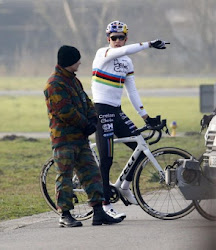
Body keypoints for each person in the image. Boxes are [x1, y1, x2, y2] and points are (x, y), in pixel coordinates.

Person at [91, 20, 168, 219]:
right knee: (106, 160)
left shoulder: (127, 62)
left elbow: (131, 90)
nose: (117, 41)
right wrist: (149, 44)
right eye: (113, 38)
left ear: (126, 38)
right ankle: (105, 205)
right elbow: (120, 52)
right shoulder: (103, 53)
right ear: (108, 39)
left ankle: (125, 186)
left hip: (116, 110)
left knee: (140, 147)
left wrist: (146, 116)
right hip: (101, 109)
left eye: (121, 38)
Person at [44, 45, 123, 227]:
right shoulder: (54, 84)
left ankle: (98, 212)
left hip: (80, 138)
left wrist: (93, 119)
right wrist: (85, 124)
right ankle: (65, 215)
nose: (80, 62)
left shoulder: (73, 81)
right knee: (64, 176)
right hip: (64, 140)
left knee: (92, 174)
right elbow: (65, 111)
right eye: (77, 59)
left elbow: (87, 102)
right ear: (69, 61)